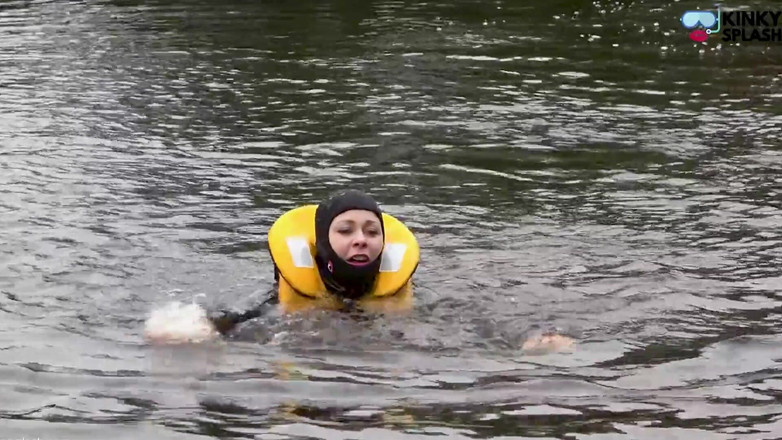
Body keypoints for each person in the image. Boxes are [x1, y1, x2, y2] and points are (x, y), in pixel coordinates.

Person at [206, 189, 419, 335]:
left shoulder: (408, 296)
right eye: (345, 231)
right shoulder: (277, 302)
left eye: (372, 232)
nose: (361, 240)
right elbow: (224, 326)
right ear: (322, 242)